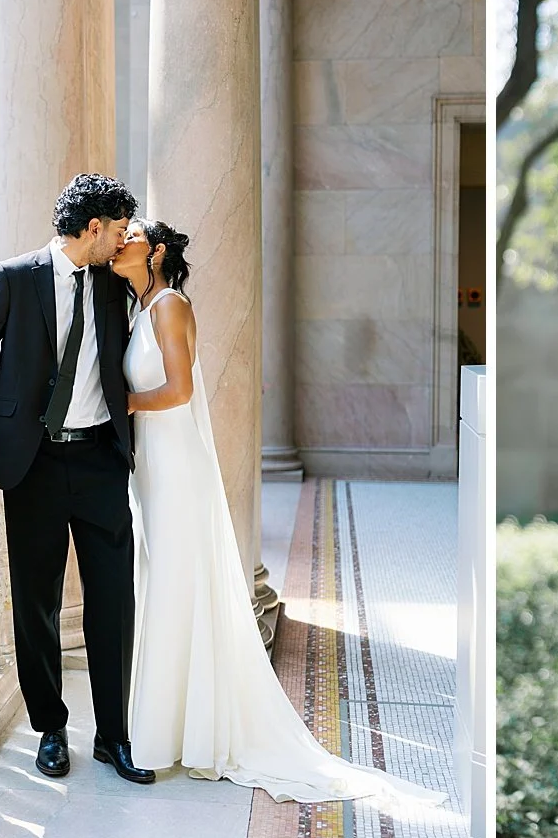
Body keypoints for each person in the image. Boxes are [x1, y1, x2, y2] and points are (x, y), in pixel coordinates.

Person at [111, 218, 446, 806]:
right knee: (165, 584)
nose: (120, 242)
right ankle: (175, 727)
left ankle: (179, 736)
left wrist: (121, 404)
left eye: (131, 235)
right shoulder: (140, 308)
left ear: (156, 250)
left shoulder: (169, 307)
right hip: (153, 466)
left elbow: (180, 391)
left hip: (175, 464)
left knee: (174, 585)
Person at [0, 173, 155, 785]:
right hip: (34, 464)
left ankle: (114, 735)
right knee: (36, 601)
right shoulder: (14, 277)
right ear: (93, 227)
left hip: (100, 459)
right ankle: (50, 728)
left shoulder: (112, 280)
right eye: (118, 228)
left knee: (113, 602)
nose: (123, 238)